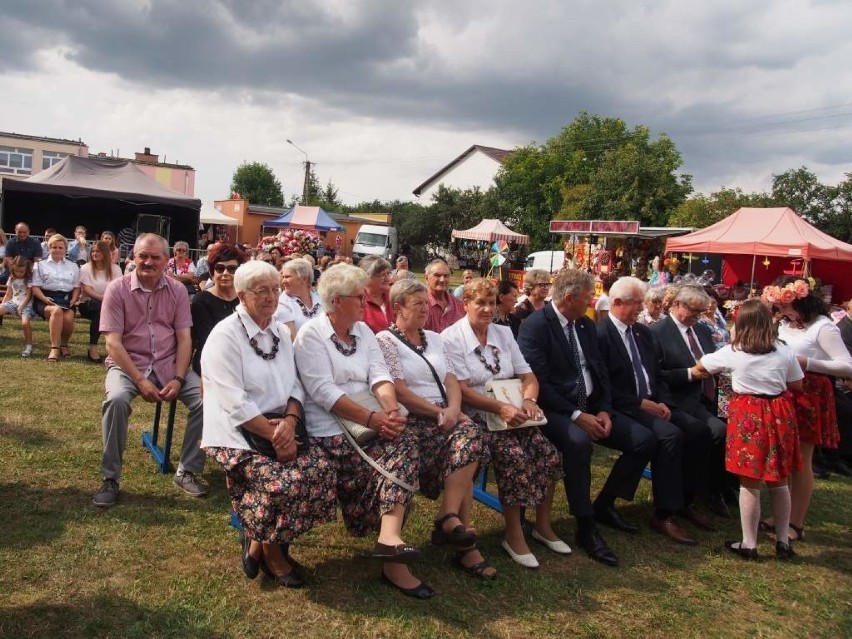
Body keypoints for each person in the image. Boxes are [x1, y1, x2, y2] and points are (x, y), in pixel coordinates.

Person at [293, 264, 430, 599]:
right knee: (399, 450)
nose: (365, 300)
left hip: (371, 417)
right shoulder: (311, 335)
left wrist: (391, 410)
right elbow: (324, 392)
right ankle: (391, 552)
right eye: (359, 296)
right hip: (332, 429)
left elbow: (379, 375)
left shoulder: (363, 332)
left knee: (406, 440)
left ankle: (389, 541)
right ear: (337, 301)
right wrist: (374, 419)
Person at [200, 260, 336, 588]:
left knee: (320, 471)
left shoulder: (278, 330)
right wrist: (275, 435)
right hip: (234, 432)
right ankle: (274, 555)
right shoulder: (225, 336)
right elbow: (233, 401)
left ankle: (257, 540)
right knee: (283, 482)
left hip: (280, 426)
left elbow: (295, 384)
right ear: (242, 295)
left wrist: (290, 420)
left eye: (276, 289)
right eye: (261, 290)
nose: (271, 297)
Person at [517, 270, 655, 567]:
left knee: (643, 440)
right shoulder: (536, 326)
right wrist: (578, 415)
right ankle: (586, 524)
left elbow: (598, 370)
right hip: (555, 409)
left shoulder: (586, 325)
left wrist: (603, 408)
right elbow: (539, 382)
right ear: (569, 298)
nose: (592, 302)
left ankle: (604, 504)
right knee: (579, 443)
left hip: (593, 406)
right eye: (587, 298)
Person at [443, 278, 566, 570]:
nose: (487, 309)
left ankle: (542, 525)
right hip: (478, 416)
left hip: (515, 414)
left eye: (492, 303)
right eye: (480, 304)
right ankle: (513, 534)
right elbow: (462, 389)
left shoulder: (504, 333)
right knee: (514, 458)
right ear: (465, 305)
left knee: (548, 453)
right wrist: (501, 408)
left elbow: (528, 375)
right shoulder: (452, 338)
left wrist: (530, 401)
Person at [377, 279, 494, 579]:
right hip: (415, 419)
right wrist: (438, 412)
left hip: (446, 415)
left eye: (425, 304)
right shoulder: (385, 341)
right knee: (462, 457)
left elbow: (451, 379)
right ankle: (461, 540)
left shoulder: (435, 338)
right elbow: (399, 390)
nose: (425, 310)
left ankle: (448, 517)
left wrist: (454, 410)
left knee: (471, 440)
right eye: (417, 305)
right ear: (397, 308)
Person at [597, 277, 716, 545]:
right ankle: (664, 512)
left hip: (652, 402)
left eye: (641, 302)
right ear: (617, 303)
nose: (641, 308)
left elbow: (655, 376)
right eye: (636, 303)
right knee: (668, 436)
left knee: (699, 431)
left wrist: (664, 402)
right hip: (624, 405)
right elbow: (601, 386)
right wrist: (639, 403)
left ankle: (686, 499)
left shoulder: (642, 332)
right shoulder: (601, 335)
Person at [92, 233, 208, 508]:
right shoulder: (116, 289)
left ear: (166, 261)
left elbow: (184, 339)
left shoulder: (178, 291)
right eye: (143, 255)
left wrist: (179, 379)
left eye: (155, 257)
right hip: (128, 364)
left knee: (207, 400)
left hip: (170, 364)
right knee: (117, 400)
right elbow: (113, 344)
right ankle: (110, 479)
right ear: (133, 257)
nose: (148, 261)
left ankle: (187, 470)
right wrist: (140, 380)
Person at [693, 298, 804, 560]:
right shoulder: (783, 349)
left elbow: (702, 365)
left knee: (750, 480)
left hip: (749, 414)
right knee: (779, 479)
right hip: (778, 411)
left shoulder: (735, 350)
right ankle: (782, 541)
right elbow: (797, 383)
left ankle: (749, 542)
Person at [761, 278, 852, 541]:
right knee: (785, 458)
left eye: (787, 307)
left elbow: (847, 365)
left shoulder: (824, 327)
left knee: (801, 461)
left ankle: (795, 522)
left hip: (810, 395)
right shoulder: (786, 324)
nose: (784, 312)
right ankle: (781, 515)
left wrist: (807, 361)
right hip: (786, 390)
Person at [650, 285, 731, 517]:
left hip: (707, 396)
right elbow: (656, 375)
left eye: (701, 312)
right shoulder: (657, 332)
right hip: (677, 398)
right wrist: (689, 374)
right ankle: (692, 495)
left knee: (728, 430)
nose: (697, 317)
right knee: (710, 431)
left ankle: (715, 490)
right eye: (694, 311)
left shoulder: (702, 330)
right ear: (676, 305)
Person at [190, 243, 247, 375]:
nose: (225, 273)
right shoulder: (202, 300)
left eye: (232, 269)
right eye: (220, 268)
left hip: (244, 361)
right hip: (212, 363)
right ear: (212, 272)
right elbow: (208, 339)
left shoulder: (246, 298)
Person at [29, 234, 80, 362]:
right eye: (54, 247)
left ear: (65, 249)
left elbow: (76, 287)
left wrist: (74, 299)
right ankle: (54, 348)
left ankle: (64, 345)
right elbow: (35, 287)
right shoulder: (39, 265)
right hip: (45, 298)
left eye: (60, 247)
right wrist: (45, 298)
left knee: (68, 318)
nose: (57, 250)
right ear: (49, 248)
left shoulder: (73, 266)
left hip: (66, 299)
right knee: (56, 311)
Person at [78, 240, 123, 363]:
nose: (94, 253)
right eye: (93, 251)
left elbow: (118, 288)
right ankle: (93, 347)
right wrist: (105, 299)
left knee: (104, 310)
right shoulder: (85, 268)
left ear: (105, 253)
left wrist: (108, 300)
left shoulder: (116, 269)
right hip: (87, 303)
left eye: (98, 251)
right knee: (101, 309)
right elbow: (87, 290)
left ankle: (118, 348)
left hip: (110, 304)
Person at [274, 257, 321, 339]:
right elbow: (293, 340)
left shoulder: (321, 300)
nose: (283, 281)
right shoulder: (281, 303)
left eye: (287, 277)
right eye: (283, 277)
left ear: (304, 279)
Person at [0, 256, 36, 357]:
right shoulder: (11, 278)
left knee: (25, 323)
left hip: (26, 304)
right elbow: (8, 294)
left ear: (26, 270)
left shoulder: (28, 279)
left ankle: (28, 346)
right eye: (16, 271)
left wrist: (21, 307)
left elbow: (29, 296)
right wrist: (3, 304)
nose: (18, 274)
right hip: (13, 302)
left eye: (21, 272)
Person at [424, 259, 465, 333]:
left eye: (446, 276)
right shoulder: (420, 304)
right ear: (426, 278)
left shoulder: (459, 305)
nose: (442, 280)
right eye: (437, 275)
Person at [359, 255, 394, 334]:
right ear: (367, 277)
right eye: (382, 275)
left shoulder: (394, 297)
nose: (388, 279)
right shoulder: (358, 300)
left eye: (388, 274)